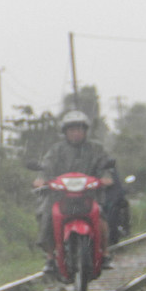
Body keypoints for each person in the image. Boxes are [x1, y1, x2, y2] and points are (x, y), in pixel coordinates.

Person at [32, 110, 113, 271]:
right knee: (47, 214)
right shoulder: (56, 150)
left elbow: (104, 166)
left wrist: (106, 178)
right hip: (60, 195)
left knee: (100, 215)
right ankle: (50, 257)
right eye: (72, 130)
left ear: (85, 131)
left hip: (89, 194)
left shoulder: (96, 148)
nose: (76, 133)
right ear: (65, 132)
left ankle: (105, 253)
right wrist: (41, 179)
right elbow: (46, 167)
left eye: (80, 129)